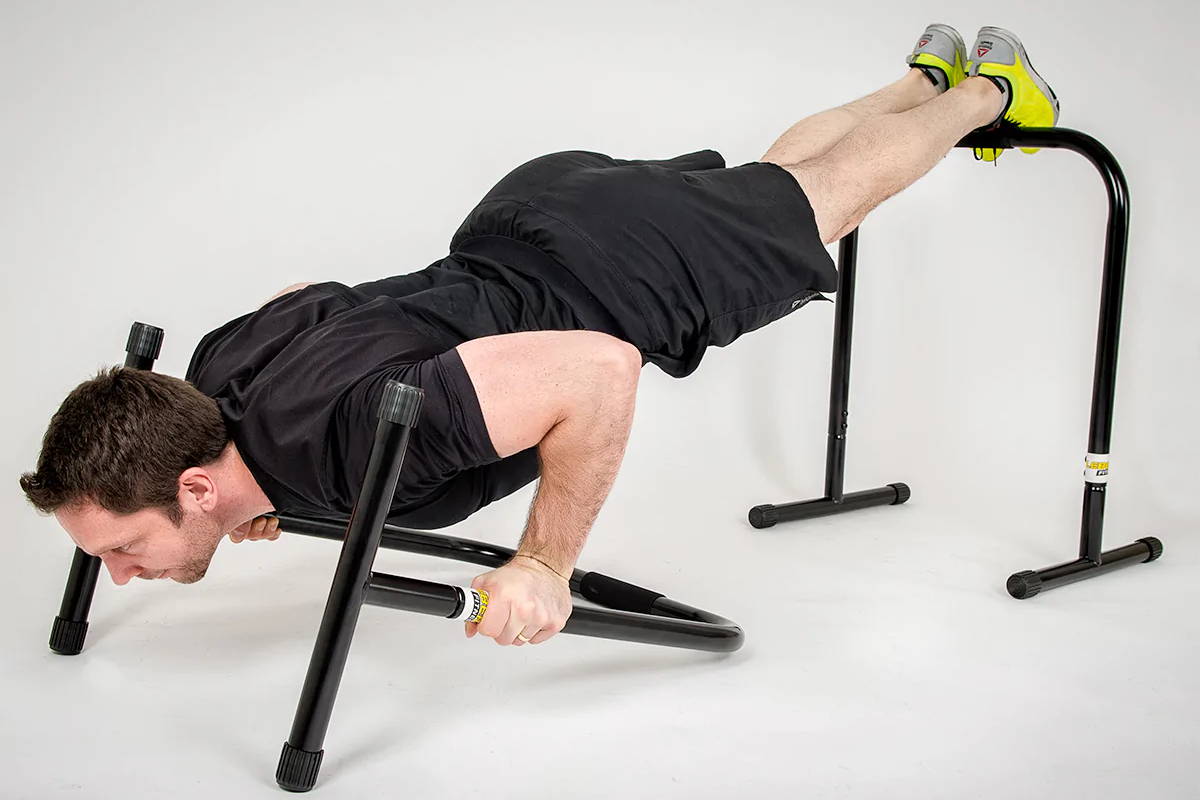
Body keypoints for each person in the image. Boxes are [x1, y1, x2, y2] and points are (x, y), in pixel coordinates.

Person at [18, 24, 1058, 648]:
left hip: (615, 271)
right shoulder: (211, 378)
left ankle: (981, 93)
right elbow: (307, 296)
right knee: (773, 190)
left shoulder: (350, 436)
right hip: (524, 214)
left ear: (191, 485)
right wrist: (258, 486)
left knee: (820, 196)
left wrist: (547, 563)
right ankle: (920, 76)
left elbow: (596, 369)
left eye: (121, 546)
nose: (118, 571)